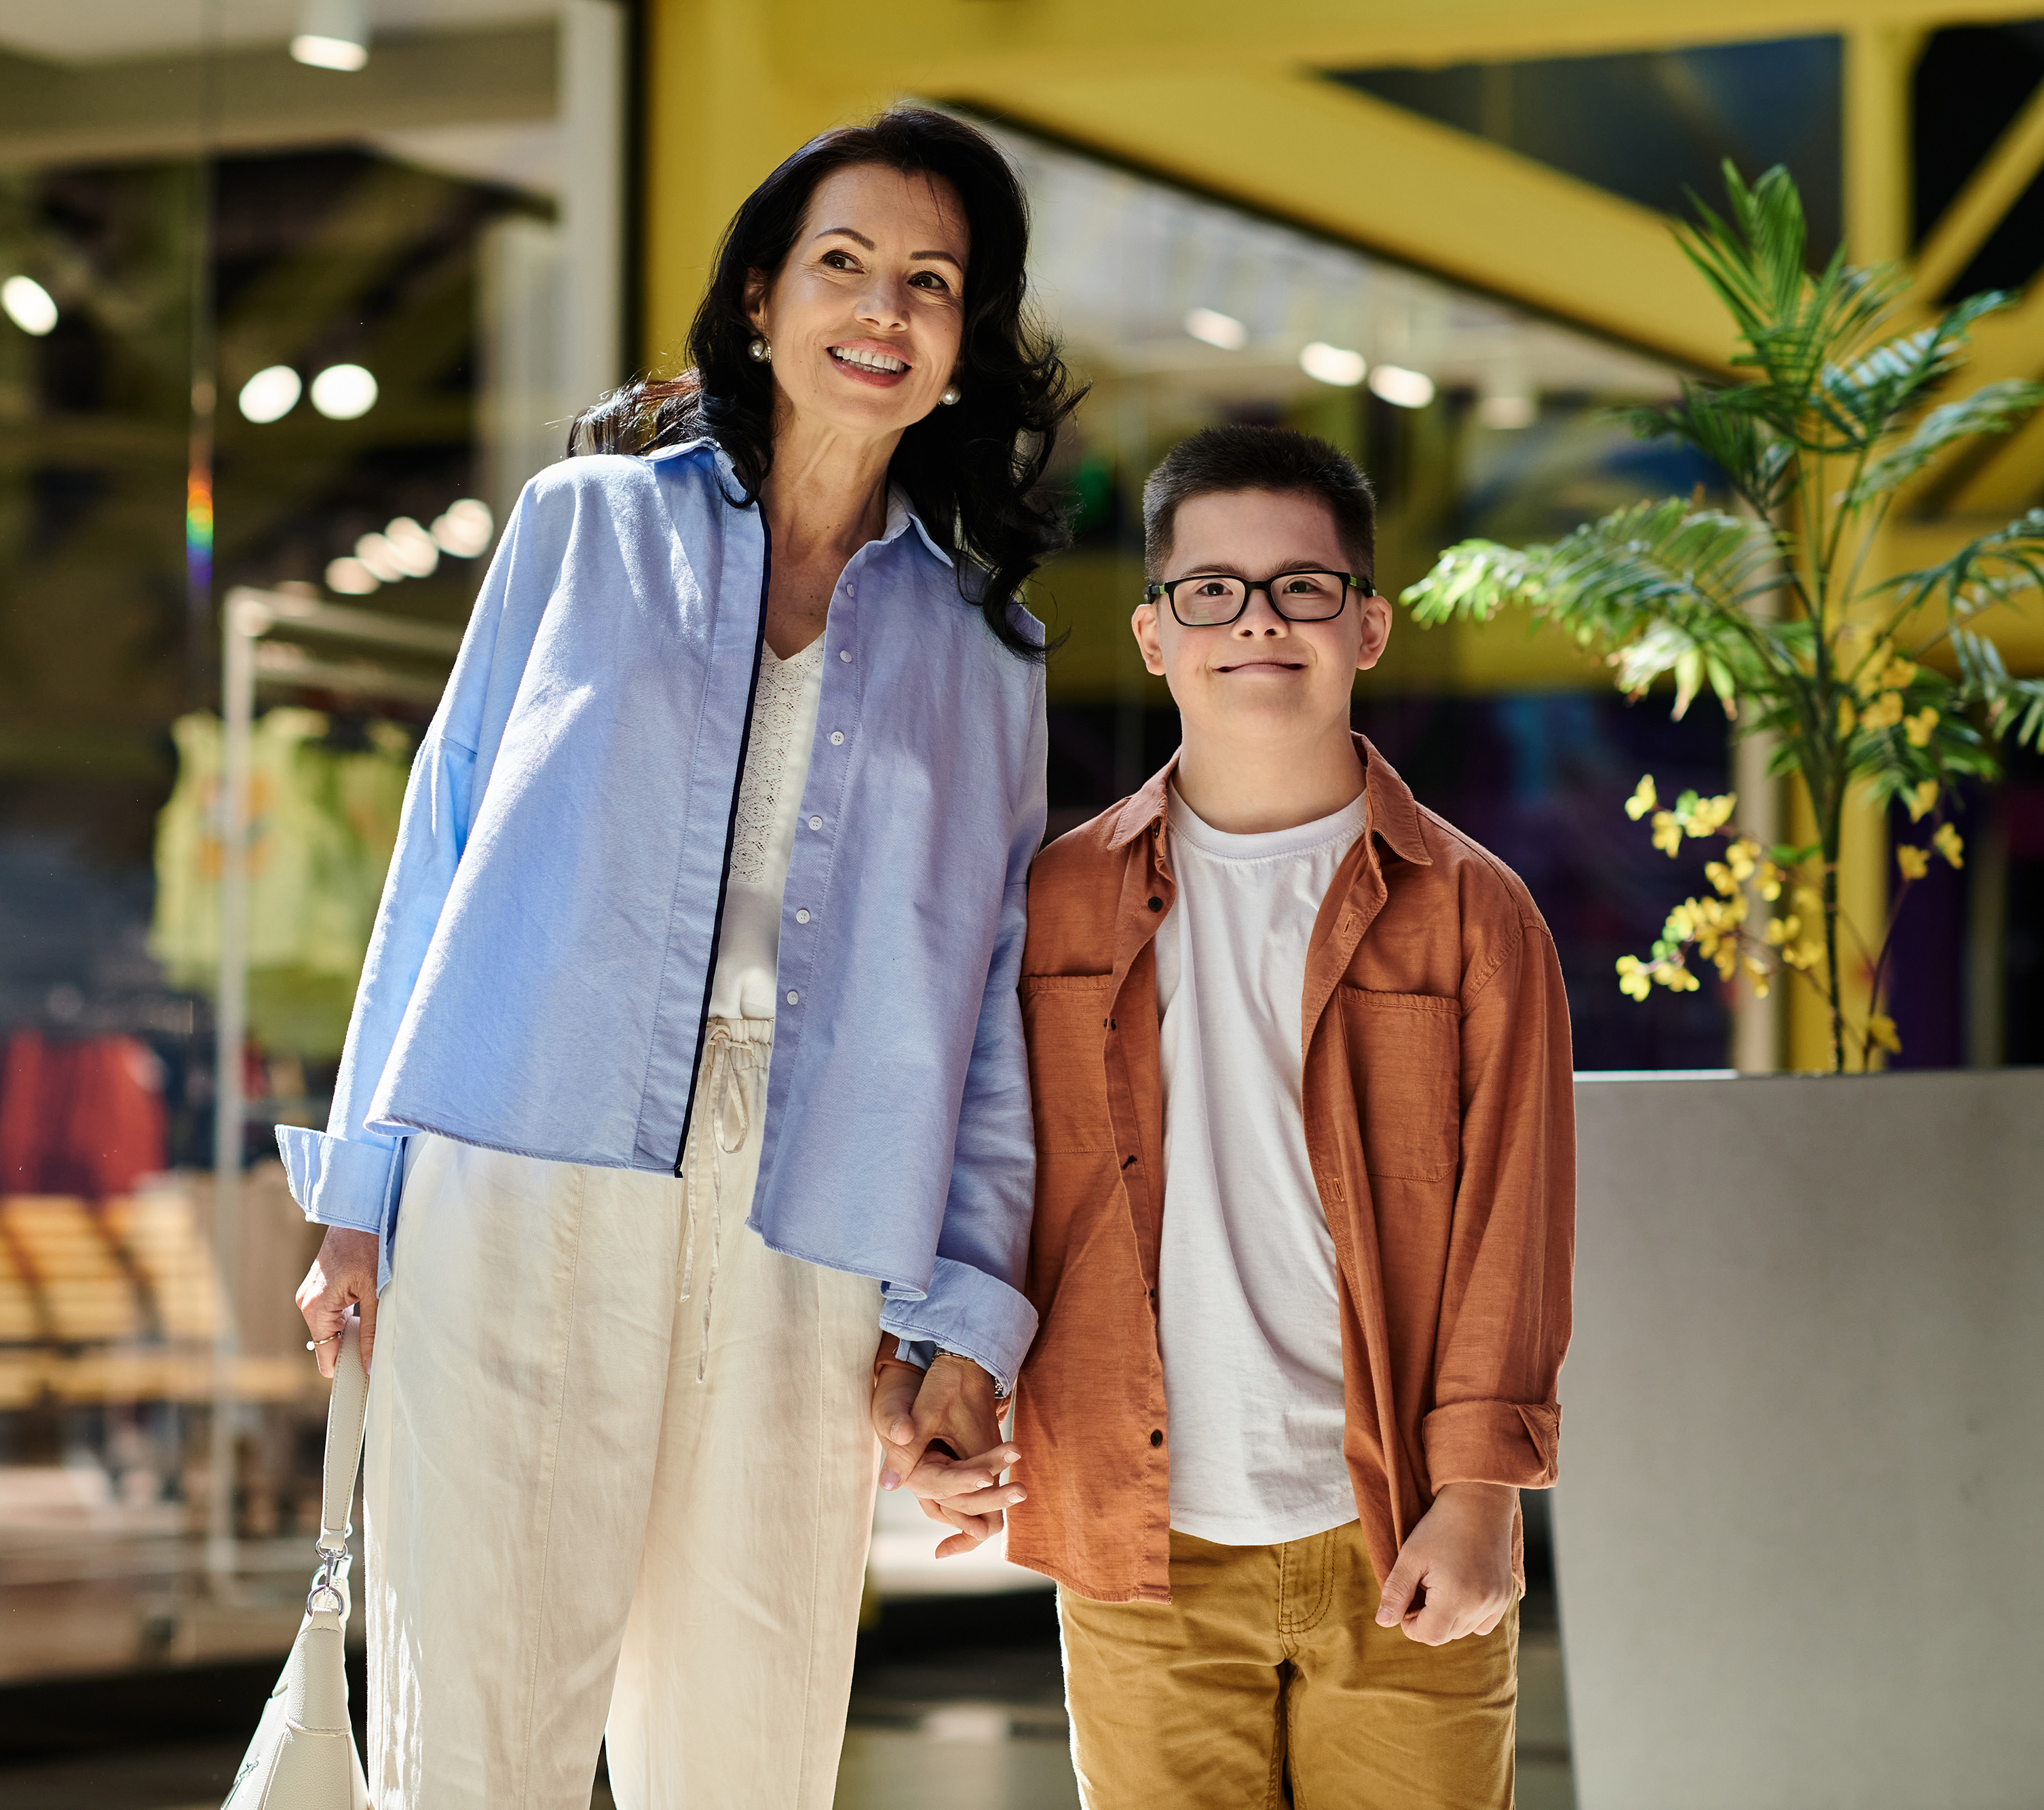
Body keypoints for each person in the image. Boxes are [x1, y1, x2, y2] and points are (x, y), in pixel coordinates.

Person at [284, 109, 1080, 1809]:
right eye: (844, 264)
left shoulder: (986, 651)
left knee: (748, 1731)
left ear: (959, 348)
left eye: (931, 282)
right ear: (757, 300)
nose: (884, 307)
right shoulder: (582, 530)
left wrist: (967, 1311)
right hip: (518, 1163)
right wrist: (357, 1189)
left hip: (811, 1217)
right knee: (476, 1711)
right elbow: (436, 848)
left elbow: (993, 1010)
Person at [1006, 426, 1574, 1809]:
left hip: (1392, 1527)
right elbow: (991, 1177)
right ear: (1152, 633)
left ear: (1365, 623)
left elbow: (1515, 1223)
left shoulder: (1472, 910)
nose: (1256, 619)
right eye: (1211, 589)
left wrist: (1482, 1490)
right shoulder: (1055, 902)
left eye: (1301, 587)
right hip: (1137, 1538)